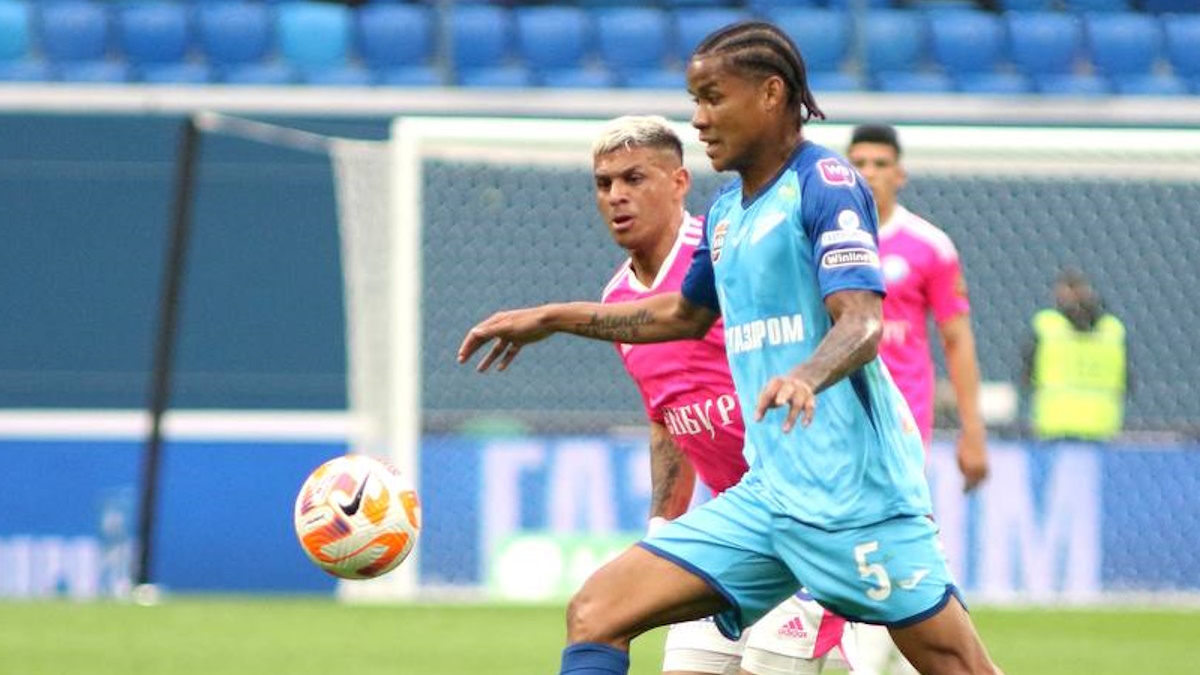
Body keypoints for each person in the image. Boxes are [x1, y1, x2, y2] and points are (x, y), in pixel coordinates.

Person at [459, 21, 1002, 675]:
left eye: (713, 98)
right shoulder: (727, 212)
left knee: (959, 666)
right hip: (766, 497)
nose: (698, 119)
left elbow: (862, 323)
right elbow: (683, 314)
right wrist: (552, 318)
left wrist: (806, 375)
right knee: (597, 610)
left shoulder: (825, 182)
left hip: (854, 504)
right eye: (696, 100)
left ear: (771, 94)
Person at [592, 114, 855, 675]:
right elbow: (668, 418)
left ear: (679, 183)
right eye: (604, 183)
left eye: (634, 178)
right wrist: (664, 526)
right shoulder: (617, 301)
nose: (616, 196)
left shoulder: (733, 253)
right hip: (730, 526)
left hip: (809, 515)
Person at [845, 125, 990, 674]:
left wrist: (973, 432)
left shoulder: (929, 245)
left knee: (899, 537)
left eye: (880, 163)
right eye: (859, 162)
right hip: (835, 421)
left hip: (901, 426)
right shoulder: (821, 239)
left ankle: (903, 655)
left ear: (900, 174)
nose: (869, 173)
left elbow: (957, 339)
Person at [1022, 268, 1127, 442]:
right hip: (1100, 426)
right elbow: (1126, 381)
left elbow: (1027, 376)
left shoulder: (1046, 327)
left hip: (1054, 427)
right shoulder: (1113, 330)